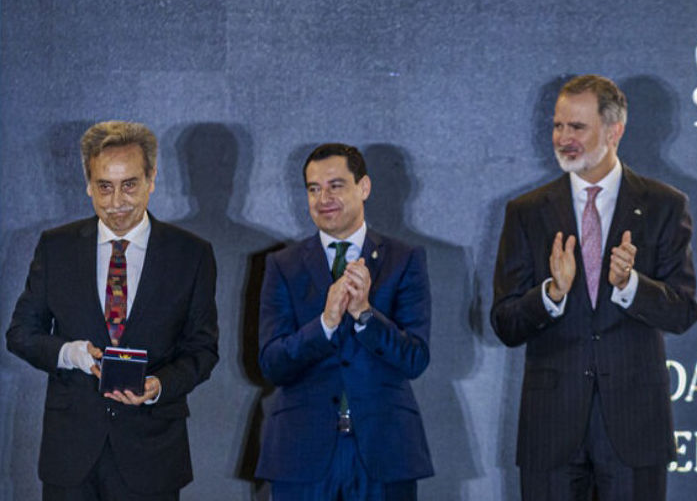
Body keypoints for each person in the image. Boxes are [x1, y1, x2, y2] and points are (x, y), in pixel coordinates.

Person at [491, 75, 697, 501]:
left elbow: (683, 311)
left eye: (577, 127)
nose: (563, 138)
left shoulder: (664, 205)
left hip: (635, 427)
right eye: (558, 126)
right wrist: (550, 293)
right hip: (551, 428)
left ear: (615, 130)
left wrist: (631, 286)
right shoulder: (526, 212)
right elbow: (506, 323)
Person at [6, 121, 219, 501]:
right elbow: (20, 334)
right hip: (70, 456)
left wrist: (159, 386)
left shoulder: (191, 254)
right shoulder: (56, 248)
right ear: (88, 185)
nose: (116, 201)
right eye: (104, 186)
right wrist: (70, 354)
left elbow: (202, 350)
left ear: (152, 178)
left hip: (151, 455)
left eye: (130, 184)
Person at [255, 143, 433, 501]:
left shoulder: (404, 259)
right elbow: (272, 364)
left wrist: (366, 314)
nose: (324, 198)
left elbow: (415, 358)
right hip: (301, 453)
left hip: (384, 451)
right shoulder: (282, 265)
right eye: (313, 188)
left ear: (363, 187)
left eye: (336, 185)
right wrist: (324, 324)